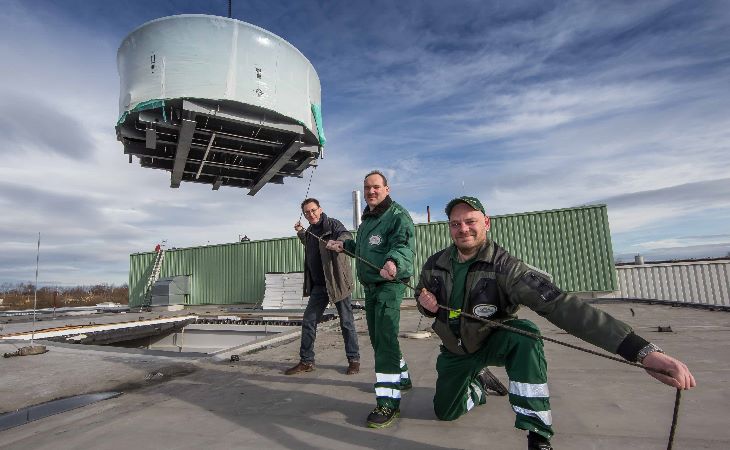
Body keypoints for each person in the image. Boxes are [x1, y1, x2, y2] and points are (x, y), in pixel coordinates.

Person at [416, 196, 696, 450]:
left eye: (470, 221)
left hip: (493, 341)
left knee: (526, 335)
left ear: (486, 223)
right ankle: (477, 387)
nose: (463, 229)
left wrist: (643, 352)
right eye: (456, 224)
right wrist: (425, 306)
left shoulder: (507, 267)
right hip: (455, 351)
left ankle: (538, 434)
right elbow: (424, 299)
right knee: (445, 412)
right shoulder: (434, 264)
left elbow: (561, 306)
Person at [326, 170, 415, 428]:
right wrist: (344, 246)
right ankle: (403, 378)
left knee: (384, 340)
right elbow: (365, 250)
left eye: (376, 187)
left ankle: (388, 403)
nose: (371, 192)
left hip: (389, 285)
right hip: (372, 288)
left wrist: (393, 261)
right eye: (367, 188)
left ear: (387, 189)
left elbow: (403, 245)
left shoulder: (397, 216)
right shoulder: (368, 220)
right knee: (379, 339)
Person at [284, 198, 361, 376]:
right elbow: (309, 243)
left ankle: (354, 360)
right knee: (309, 321)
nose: (311, 214)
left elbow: (346, 235)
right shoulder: (310, 231)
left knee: (347, 322)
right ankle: (306, 361)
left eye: (313, 210)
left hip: (337, 282)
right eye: (307, 212)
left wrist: (339, 243)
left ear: (320, 209)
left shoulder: (332, 224)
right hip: (319, 286)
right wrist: (301, 232)